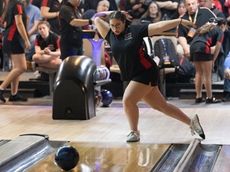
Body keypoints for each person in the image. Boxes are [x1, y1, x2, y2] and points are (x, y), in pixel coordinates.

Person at [94, 11, 205, 142]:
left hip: (146, 71)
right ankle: (192, 122)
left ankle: (134, 132)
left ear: (124, 22)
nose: (115, 28)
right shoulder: (109, 34)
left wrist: (179, 21)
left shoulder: (135, 30)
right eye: (112, 25)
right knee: (162, 106)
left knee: (128, 101)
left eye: (118, 25)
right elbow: (96, 18)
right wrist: (111, 12)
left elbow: (159, 27)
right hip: (134, 74)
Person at [0, 0, 30, 103]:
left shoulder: (10, 4)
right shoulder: (17, 4)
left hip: (10, 37)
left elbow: (4, 23)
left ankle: (14, 94)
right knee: (22, 67)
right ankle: (1, 89)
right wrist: (26, 39)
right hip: (14, 38)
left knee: (16, 67)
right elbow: (19, 23)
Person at [190, 17, 226, 103]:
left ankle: (198, 97)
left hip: (193, 47)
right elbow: (218, 47)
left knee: (198, 72)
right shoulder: (220, 30)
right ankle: (209, 97)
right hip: (203, 47)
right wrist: (213, 59)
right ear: (223, 25)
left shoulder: (202, 28)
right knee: (207, 74)